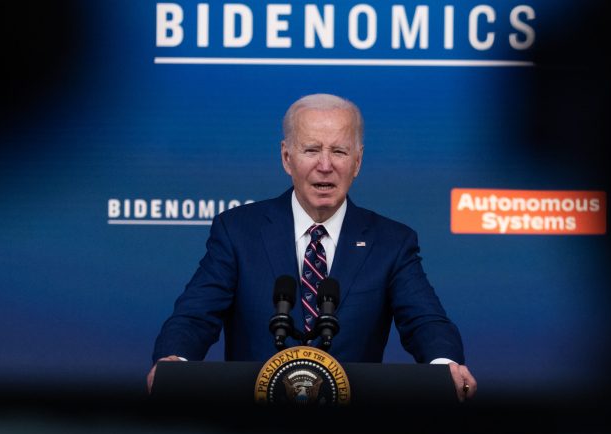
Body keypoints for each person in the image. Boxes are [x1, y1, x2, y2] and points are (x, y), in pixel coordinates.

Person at [148, 93, 477, 401]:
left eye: (339, 151)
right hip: (251, 431)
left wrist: (443, 364)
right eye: (311, 150)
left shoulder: (391, 242)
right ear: (286, 158)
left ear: (358, 162)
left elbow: (425, 321)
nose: (325, 165)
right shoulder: (238, 231)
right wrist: (175, 360)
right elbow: (194, 316)